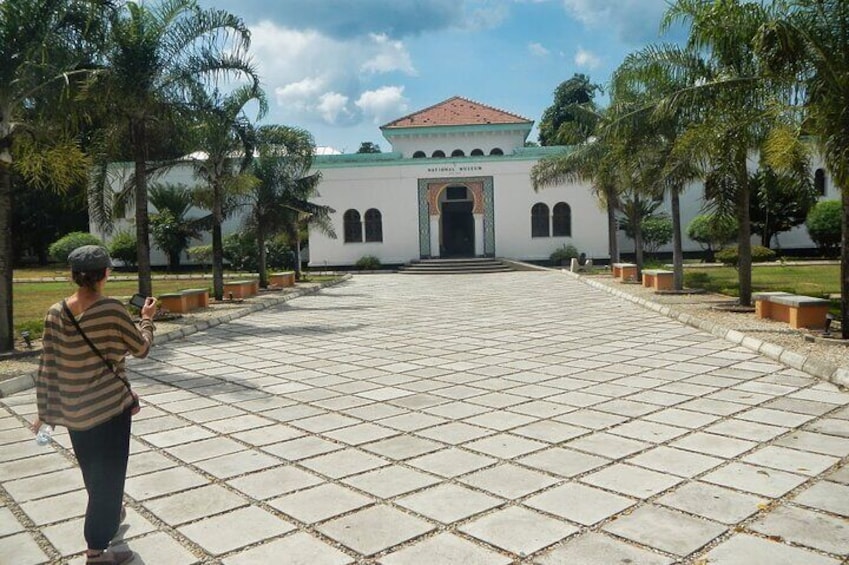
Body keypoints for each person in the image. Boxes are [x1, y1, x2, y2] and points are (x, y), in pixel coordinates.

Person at [33, 245, 156, 565]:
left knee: (96, 478)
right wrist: (147, 320)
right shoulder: (112, 309)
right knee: (110, 480)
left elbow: (48, 364)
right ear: (105, 274)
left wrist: (44, 412)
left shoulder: (55, 311)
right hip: (110, 412)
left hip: (76, 413)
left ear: (75, 276)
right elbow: (140, 349)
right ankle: (96, 551)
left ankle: (111, 533)